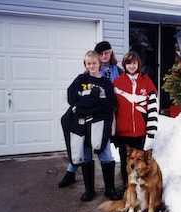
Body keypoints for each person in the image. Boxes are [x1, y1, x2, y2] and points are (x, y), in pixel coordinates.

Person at [58, 41, 122, 189]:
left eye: (107, 53)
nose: (104, 56)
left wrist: (95, 103)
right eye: (101, 53)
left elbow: (112, 100)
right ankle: (76, 177)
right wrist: (88, 103)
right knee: (82, 150)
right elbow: (72, 97)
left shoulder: (114, 73)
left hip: (103, 119)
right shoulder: (82, 78)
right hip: (83, 119)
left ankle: (110, 189)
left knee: (103, 150)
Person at [113, 51, 159, 188]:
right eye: (128, 63)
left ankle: (137, 186)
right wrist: (112, 131)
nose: (131, 66)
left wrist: (151, 128)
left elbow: (153, 106)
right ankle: (126, 186)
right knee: (125, 161)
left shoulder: (146, 81)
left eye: (134, 63)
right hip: (122, 131)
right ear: (124, 65)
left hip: (139, 131)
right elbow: (113, 109)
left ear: (138, 64)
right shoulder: (118, 82)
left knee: (139, 162)